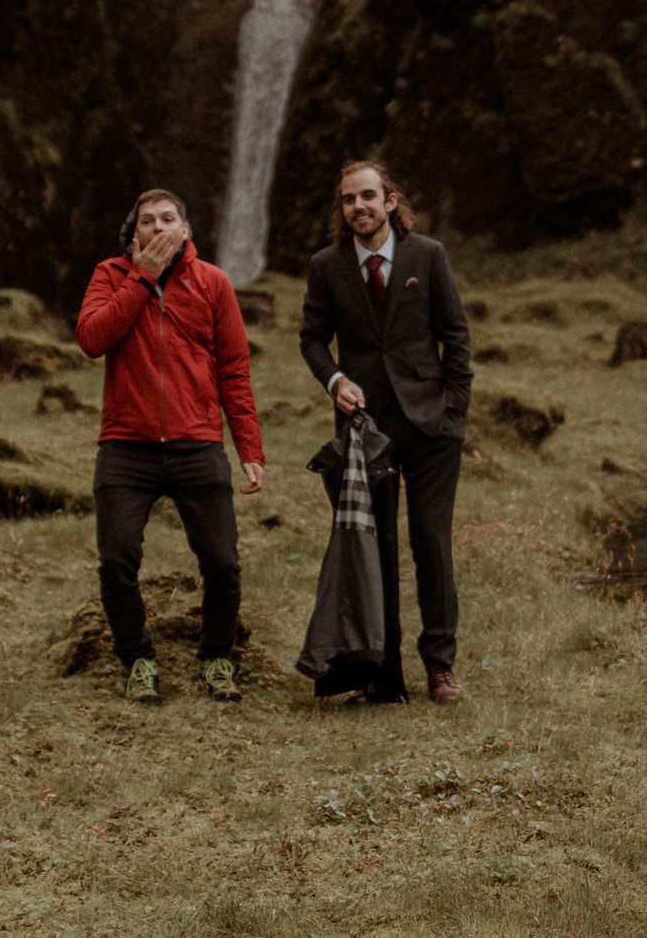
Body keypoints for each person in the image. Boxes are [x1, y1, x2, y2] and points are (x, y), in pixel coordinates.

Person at [75, 190, 265, 703]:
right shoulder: (110, 275)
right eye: (147, 222)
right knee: (116, 560)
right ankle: (137, 660)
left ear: (185, 229)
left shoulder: (214, 283)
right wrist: (141, 278)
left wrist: (248, 446)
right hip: (125, 447)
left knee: (222, 562)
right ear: (132, 234)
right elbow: (92, 339)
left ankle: (218, 657)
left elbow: (234, 369)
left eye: (168, 219)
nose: (158, 228)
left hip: (197, 444)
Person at [295, 161, 474, 702]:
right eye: (349, 200)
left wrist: (454, 415)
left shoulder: (428, 255)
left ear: (390, 201)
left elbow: (456, 337)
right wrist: (334, 379)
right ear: (342, 209)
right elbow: (311, 339)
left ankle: (440, 669)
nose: (359, 207)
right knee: (377, 550)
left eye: (369, 196)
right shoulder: (326, 266)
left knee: (430, 543)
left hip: (430, 427)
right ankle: (383, 676)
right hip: (364, 428)